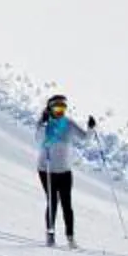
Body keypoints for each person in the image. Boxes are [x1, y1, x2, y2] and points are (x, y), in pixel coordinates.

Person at [36, 93, 97, 246]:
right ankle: (50, 235)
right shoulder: (44, 124)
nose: (60, 111)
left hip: (65, 170)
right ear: (50, 109)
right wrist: (44, 125)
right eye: (57, 108)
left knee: (67, 204)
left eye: (63, 108)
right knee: (53, 201)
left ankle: (70, 237)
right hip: (47, 169)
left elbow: (85, 138)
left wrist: (91, 128)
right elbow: (38, 140)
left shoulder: (68, 124)